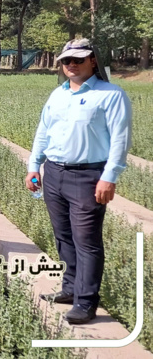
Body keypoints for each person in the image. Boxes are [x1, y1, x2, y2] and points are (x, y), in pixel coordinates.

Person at [26, 38, 132, 325]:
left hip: (88, 177)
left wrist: (109, 177)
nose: (71, 65)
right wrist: (34, 165)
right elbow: (43, 132)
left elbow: (120, 140)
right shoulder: (57, 95)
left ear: (92, 61)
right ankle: (70, 288)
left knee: (87, 241)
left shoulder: (111, 95)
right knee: (63, 237)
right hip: (54, 173)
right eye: (66, 61)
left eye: (78, 59)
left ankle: (86, 302)